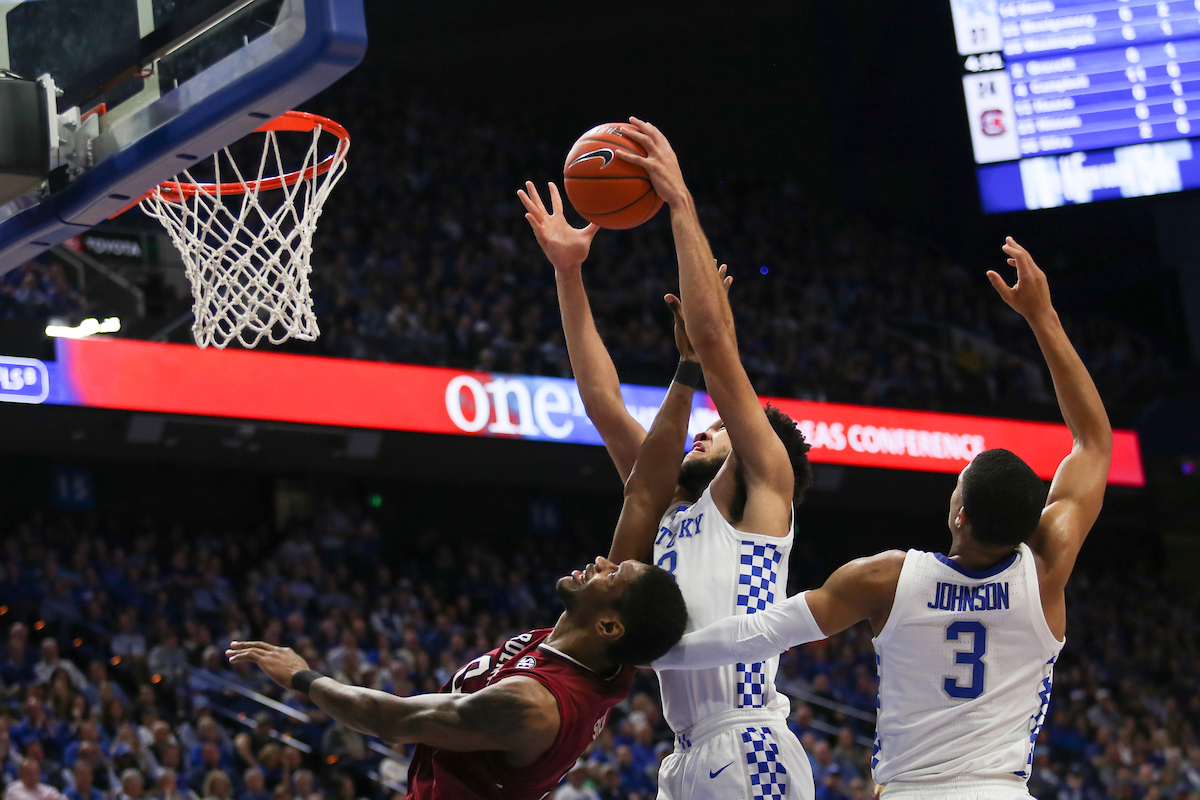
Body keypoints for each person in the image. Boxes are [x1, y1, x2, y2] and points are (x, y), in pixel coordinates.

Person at [654, 238, 1114, 800]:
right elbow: (1092, 441)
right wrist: (1043, 316)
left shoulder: (889, 579)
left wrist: (660, 652)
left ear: (959, 513)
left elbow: (761, 632)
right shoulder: (1046, 572)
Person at [520, 117, 815, 800]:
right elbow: (601, 401)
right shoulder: (671, 503)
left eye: (720, 429)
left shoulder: (763, 489)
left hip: (747, 739)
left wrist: (679, 201)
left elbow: (712, 342)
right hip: (685, 756)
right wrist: (569, 272)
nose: (704, 432)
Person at [226, 393, 692, 800]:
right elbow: (642, 494)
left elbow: (389, 718)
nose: (603, 563)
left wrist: (300, 676)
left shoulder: (532, 705)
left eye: (613, 575)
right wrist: (688, 372)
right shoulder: (598, 648)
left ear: (609, 624)